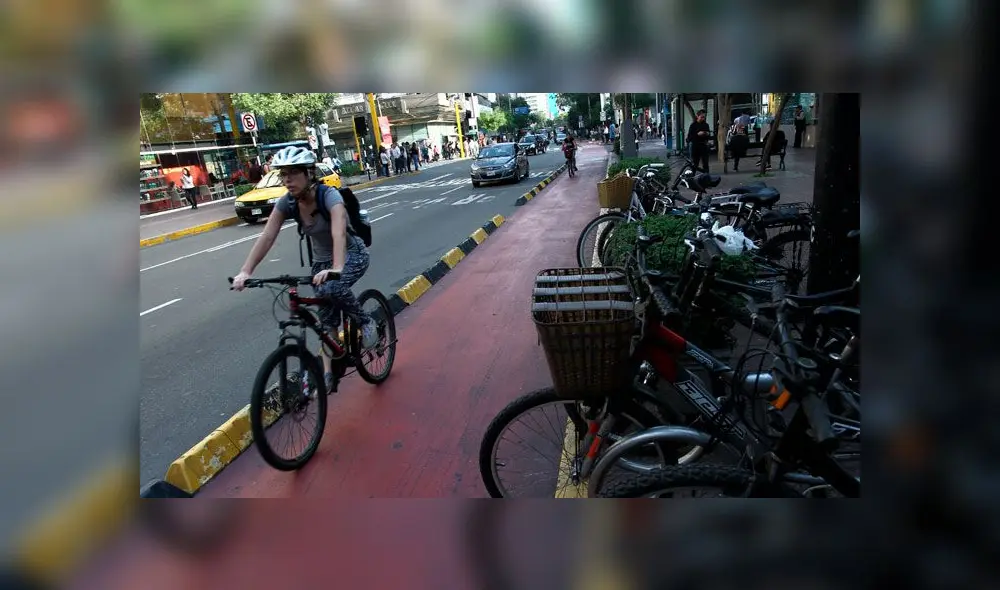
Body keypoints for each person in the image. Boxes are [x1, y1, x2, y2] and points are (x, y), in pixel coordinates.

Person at [230, 146, 378, 391]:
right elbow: (267, 237)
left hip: (352, 254)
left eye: (293, 173)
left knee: (333, 286)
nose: (287, 179)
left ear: (309, 173)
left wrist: (337, 267)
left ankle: (365, 322)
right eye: (283, 174)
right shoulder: (287, 202)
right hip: (321, 264)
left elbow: (339, 231)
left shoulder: (329, 196)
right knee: (326, 315)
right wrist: (246, 271)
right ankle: (329, 372)